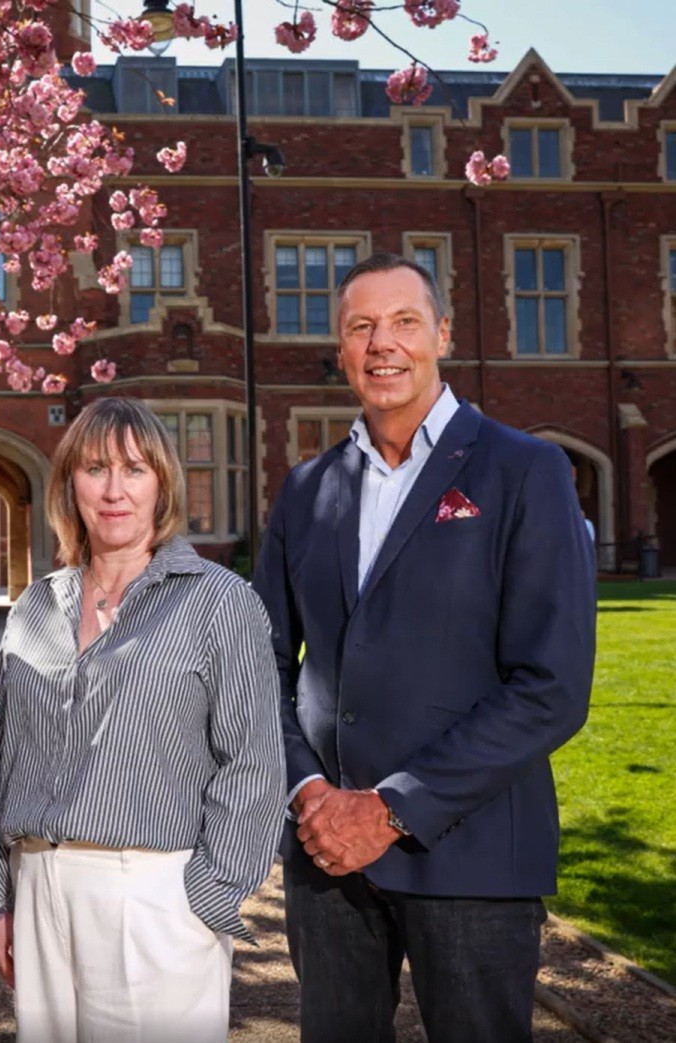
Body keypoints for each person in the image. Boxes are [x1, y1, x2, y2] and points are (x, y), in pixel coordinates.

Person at [252, 252, 595, 1043]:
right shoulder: (305, 491)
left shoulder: (525, 470)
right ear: (340, 348)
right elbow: (258, 667)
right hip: (326, 856)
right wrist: (309, 793)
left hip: (473, 848)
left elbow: (551, 685)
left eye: (404, 321)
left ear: (442, 333)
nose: (383, 343)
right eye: (361, 327)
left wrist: (392, 807)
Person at [0, 396, 286, 1043]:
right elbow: (3, 758)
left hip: (154, 897)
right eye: (95, 469)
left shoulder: (219, 602)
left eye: (134, 469)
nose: (114, 490)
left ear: (162, 483)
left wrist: (208, 894)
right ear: (69, 485)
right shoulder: (35, 606)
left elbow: (254, 762)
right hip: (38, 889)